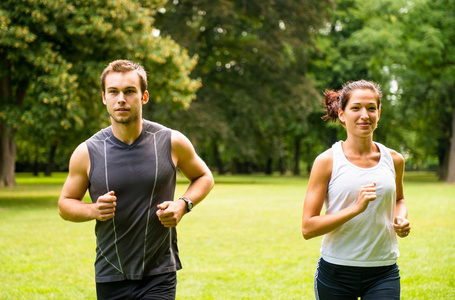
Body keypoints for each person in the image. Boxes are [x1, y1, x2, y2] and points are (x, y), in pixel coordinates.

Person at [58, 59, 214, 300]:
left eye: (130, 91)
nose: (121, 98)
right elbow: (65, 204)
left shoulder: (171, 142)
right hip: (111, 272)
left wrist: (182, 205)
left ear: (144, 97)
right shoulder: (87, 152)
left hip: (159, 272)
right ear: (104, 97)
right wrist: (93, 210)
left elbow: (204, 176)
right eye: (113, 92)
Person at [301, 80, 411, 299]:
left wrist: (401, 218)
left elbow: (399, 200)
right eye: (356, 108)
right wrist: (355, 208)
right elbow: (308, 228)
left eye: (371, 108)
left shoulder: (394, 160)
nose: (364, 115)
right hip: (336, 273)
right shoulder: (327, 161)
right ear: (342, 114)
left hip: (383, 271)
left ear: (379, 113)